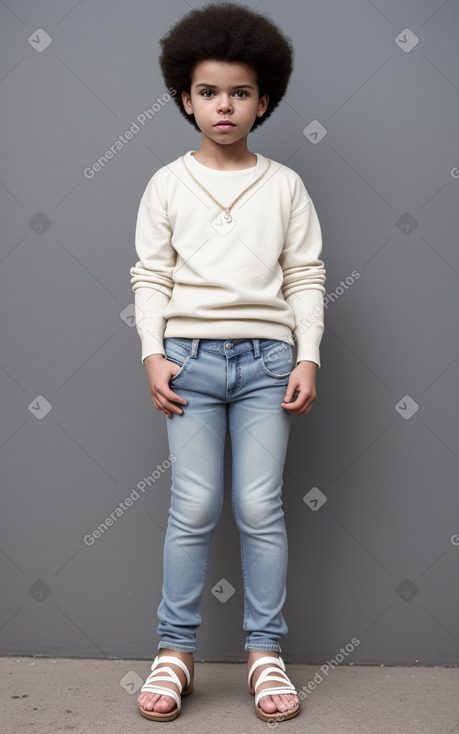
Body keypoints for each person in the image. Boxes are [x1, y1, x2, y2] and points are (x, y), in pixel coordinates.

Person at [129, 2, 326, 723]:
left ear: (262, 100)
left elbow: (304, 274)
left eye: (239, 92)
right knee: (195, 505)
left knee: (257, 506)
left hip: (268, 362)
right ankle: (174, 650)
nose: (224, 105)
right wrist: (153, 353)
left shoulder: (283, 187)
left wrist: (306, 356)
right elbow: (150, 275)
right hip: (187, 362)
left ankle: (263, 652)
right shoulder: (166, 184)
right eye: (209, 91)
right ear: (185, 97)